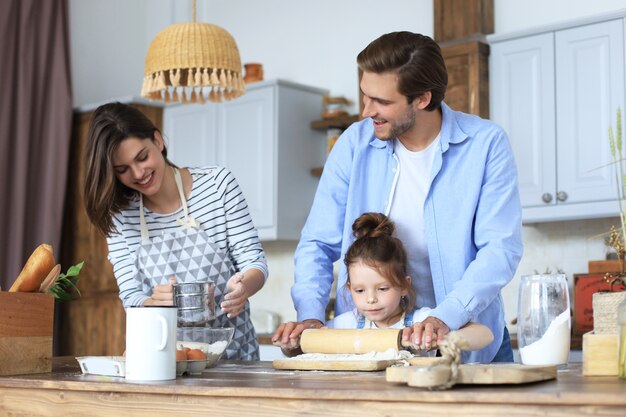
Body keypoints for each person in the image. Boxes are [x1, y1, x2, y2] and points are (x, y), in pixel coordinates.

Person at [275, 32, 523, 364]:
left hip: (467, 341)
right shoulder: (354, 144)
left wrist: (445, 317)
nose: (366, 112)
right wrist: (310, 315)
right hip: (372, 344)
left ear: (422, 98)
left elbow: (500, 249)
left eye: (382, 102)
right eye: (364, 96)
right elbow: (317, 243)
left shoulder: (485, 144)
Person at [83, 102, 268, 360]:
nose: (139, 173)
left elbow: (254, 262)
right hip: (165, 358)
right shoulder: (121, 216)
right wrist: (153, 302)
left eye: (142, 157)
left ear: (157, 140)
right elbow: (131, 295)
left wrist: (243, 288)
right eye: (122, 170)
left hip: (234, 360)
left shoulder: (217, 186)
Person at [275, 213, 493, 357]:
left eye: (382, 288)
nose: (371, 299)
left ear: (404, 286)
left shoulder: (419, 322)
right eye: (360, 290)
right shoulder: (347, 325)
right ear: (349, 289)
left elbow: (485, 334)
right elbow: (302, 348)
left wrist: (442, 338)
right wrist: (290, 343)